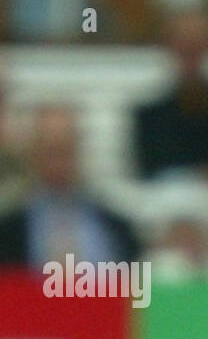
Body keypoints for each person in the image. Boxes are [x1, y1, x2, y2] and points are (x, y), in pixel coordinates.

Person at [133, 7, 208, 247]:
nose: (192, 58)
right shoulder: (149, 117)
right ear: (169, 49)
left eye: (197, 48)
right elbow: (148, 178)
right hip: (167, 230)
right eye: (185, 49)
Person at [0, 105, 138, 267]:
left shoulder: (116, 227)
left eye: (66, 150)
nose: (59, 163)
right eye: (52, 151)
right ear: (34, 153)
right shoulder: (8, 233)